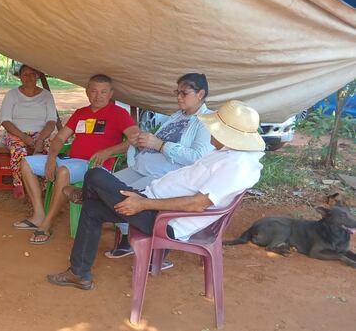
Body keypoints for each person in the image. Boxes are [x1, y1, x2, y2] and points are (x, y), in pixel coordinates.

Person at [46, 100, 265, 291]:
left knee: (95, 175)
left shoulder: (236, 166)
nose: (210, 132)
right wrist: (144, 199)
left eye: (214, 128)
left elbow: (197, 204)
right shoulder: (227, 155)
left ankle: (86, 195)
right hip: (152, 202)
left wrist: (143, 204)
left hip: (164, 219)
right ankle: (79, 273)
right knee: (93, 208)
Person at [85, 73, 214, 259]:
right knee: (101, 186)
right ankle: (123, 231)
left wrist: (160, 145)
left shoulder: (206, 121)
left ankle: (133, 238)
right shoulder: (177, 116)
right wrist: (141, 142)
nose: (178, 97)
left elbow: (198, 158)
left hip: (164, 178)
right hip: (142, 168)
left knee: (114, 195)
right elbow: (158, 142)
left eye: (183, 93)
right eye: (176, 92)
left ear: (200, 94)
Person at [14, 74, 139, 245]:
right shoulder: (81, 113)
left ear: (111, 94)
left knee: (64, 171)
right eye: (94, 91)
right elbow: (59, 139)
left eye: (103, 92)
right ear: (87, 92)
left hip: (94, 166)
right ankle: (38, 215)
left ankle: (47, 223)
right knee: (26, 162)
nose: (98, 96)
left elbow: (134, 138)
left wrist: (108, 151)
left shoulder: (119, 113)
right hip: (70, 161)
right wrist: (51, 158)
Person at [0, 64, 57, 199]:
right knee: (19, 149)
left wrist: (41, 139)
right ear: (20, 77)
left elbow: (51, 121)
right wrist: (23, 137)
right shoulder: (12, 94)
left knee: (48, 149)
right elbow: (5, 121)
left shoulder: (46, 96)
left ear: (37, 75)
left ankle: (45, 185)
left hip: (40, 134)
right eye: (25, 74)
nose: (29, 77)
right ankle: (18, 184)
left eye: (32, 74)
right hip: (16, 133)